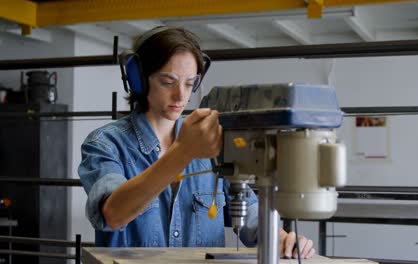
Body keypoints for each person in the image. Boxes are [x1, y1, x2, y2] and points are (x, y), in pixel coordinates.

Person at [78, 26, 315, 259]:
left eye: (190, 83)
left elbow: (249, 212)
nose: (181, 95)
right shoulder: (106, 143)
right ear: (139, 79)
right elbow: (113, 214)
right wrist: (184, 151)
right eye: (168, 81)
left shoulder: (213, 141)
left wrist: (281, 237)